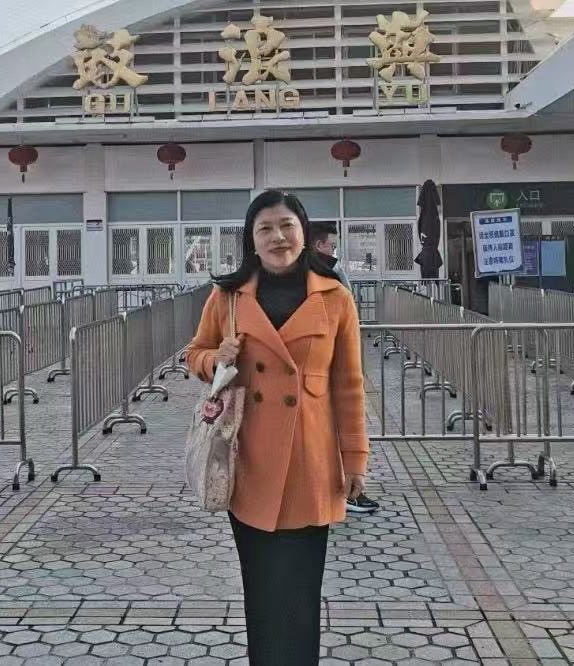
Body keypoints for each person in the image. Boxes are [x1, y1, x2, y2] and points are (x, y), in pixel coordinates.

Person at [186, 190, 370, 666]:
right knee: (263, 593)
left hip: (312, 463)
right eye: (265, 228)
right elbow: (194, 354)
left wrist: (356, 460)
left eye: (287, 225)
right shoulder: (227, 296)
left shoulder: (335, 297)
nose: (278, 237)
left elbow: (349, 385)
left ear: (304, 232)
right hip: (252, 462)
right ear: (251, 239)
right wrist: (214, 358)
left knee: (302, 596)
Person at [308, 221, 380, 514]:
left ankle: (346, 490)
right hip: (326, 372)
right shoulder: (324, 274)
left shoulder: (323, 273)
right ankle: (347, 492)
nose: (335, 251)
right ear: (318, 245)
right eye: (333, 246)